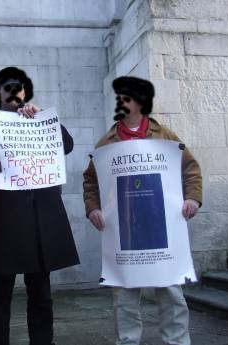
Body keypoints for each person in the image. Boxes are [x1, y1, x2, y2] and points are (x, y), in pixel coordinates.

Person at [82, 76, 202, 345]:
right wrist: (93, 209)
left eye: (125, 98)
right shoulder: (106, 143)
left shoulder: (165, 136)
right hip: (124, 232)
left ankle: (177, 341)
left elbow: (190, 169)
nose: (120, 103)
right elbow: (91, 179)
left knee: (171, 292)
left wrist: (192, 198)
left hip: (163, 229)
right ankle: (128, 342)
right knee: (124, 297)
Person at [0, 67, 79, 345]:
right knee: (0, 292)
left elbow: (68, 144)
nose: (13, 92)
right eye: (7, 87)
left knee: (40, 292)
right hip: (4, 221)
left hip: (38, 221)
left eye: (18, 87)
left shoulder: (37, 119)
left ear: (25, 93)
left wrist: (40, 117)